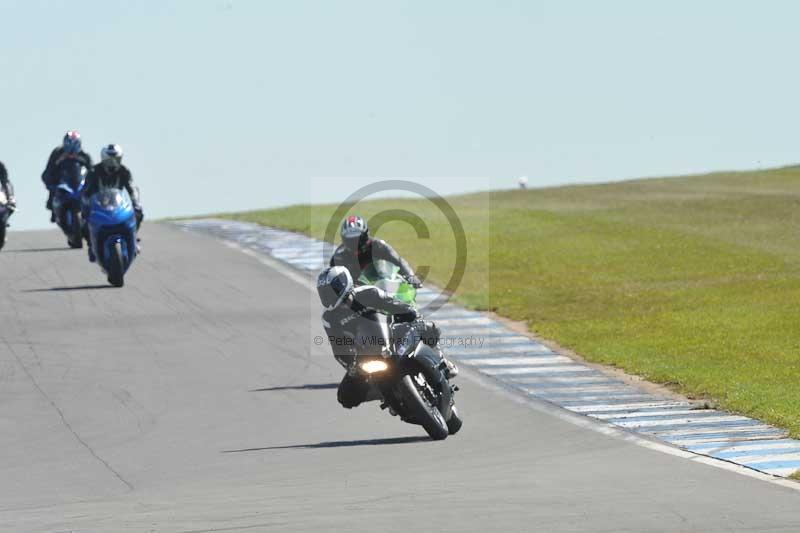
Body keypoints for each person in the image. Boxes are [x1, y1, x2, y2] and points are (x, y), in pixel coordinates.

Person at [317, 266, 457, 409]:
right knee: (345, 397)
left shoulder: (368, 293)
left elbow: (396, 304)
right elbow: (338, 348)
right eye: (324, 293)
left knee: (429, 328)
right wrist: (352, 367)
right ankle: (384, 393)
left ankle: (441, 360)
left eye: (330, 291)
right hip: (365, 353)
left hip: (392, 334)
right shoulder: (329, 318)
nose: (328, 296)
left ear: (343, 283)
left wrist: (409, 314)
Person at [82, 144, 144, 261]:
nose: (113, 163)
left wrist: (136, 202)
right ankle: (91, 245)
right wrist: (85, 205)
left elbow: (131, 188)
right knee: (84, 221)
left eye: (116, 160)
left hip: (118, 203)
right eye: (109, 160)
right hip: (98, 205)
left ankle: (133, 239)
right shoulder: (94, 172)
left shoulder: (124, 171)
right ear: (103, 159)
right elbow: (86, 191)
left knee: (138, 213)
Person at [329, 215, 423, 287]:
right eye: (351, 240)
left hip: (383, 288)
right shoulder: (339, 255)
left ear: (365, 235)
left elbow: (398, 261)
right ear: (344, 239)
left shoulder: (378, 246)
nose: (355, 243)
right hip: (354, 294)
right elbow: (332, 279)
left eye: (358, 239)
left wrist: (411, 276)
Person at [41, 131, 93, 222]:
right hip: (63, 182)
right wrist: (51, 181)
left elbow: (93, 171)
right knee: (55, 191)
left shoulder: (85, 156)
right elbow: (48, 171)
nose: (71, 150)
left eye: (74, 145)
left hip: (79, 183)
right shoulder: (57, 153)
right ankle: (54, 210)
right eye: (69, 145)